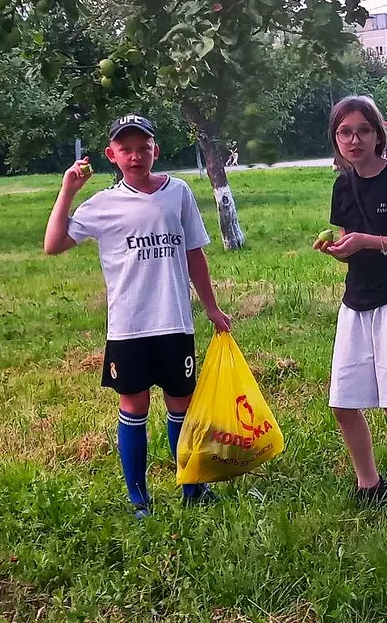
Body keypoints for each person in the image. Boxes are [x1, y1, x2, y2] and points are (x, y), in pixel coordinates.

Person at [43, 114, 232, 520]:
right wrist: (67, 190)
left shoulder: (177, 192)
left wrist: (211, 307)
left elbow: (194, 253)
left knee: (181, 404)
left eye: (143, 148)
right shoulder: (104, 204)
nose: (135, 156)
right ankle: (138, 499)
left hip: (174, 320)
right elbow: (53, 244)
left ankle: (192, 488)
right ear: (112, 155)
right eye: (125, 149)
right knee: (134, 405)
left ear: (155, 151)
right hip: (129, 326)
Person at [314, 95, 387, 510]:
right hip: (356, 301)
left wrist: (370, 241)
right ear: (335, 138)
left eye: (363, 130)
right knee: (343, 403)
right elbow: (351, 242)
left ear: (378, 135)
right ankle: (370, 485)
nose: (354, 140)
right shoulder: (343, 185)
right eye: (344, 132)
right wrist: (340, 251)